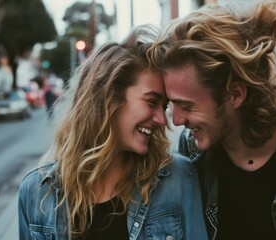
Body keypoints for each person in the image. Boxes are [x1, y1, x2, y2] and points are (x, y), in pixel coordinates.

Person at [148, 1, 276, 239]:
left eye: (187, 106)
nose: (176, 120)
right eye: (172, 105)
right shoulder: (188, 161)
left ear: (234, 94)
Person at [18, 25, 208, 240]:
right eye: (152, 101)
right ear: (110, 99)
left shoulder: (177, 178)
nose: (162, 119)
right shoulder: (36, 192)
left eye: (164, 107)